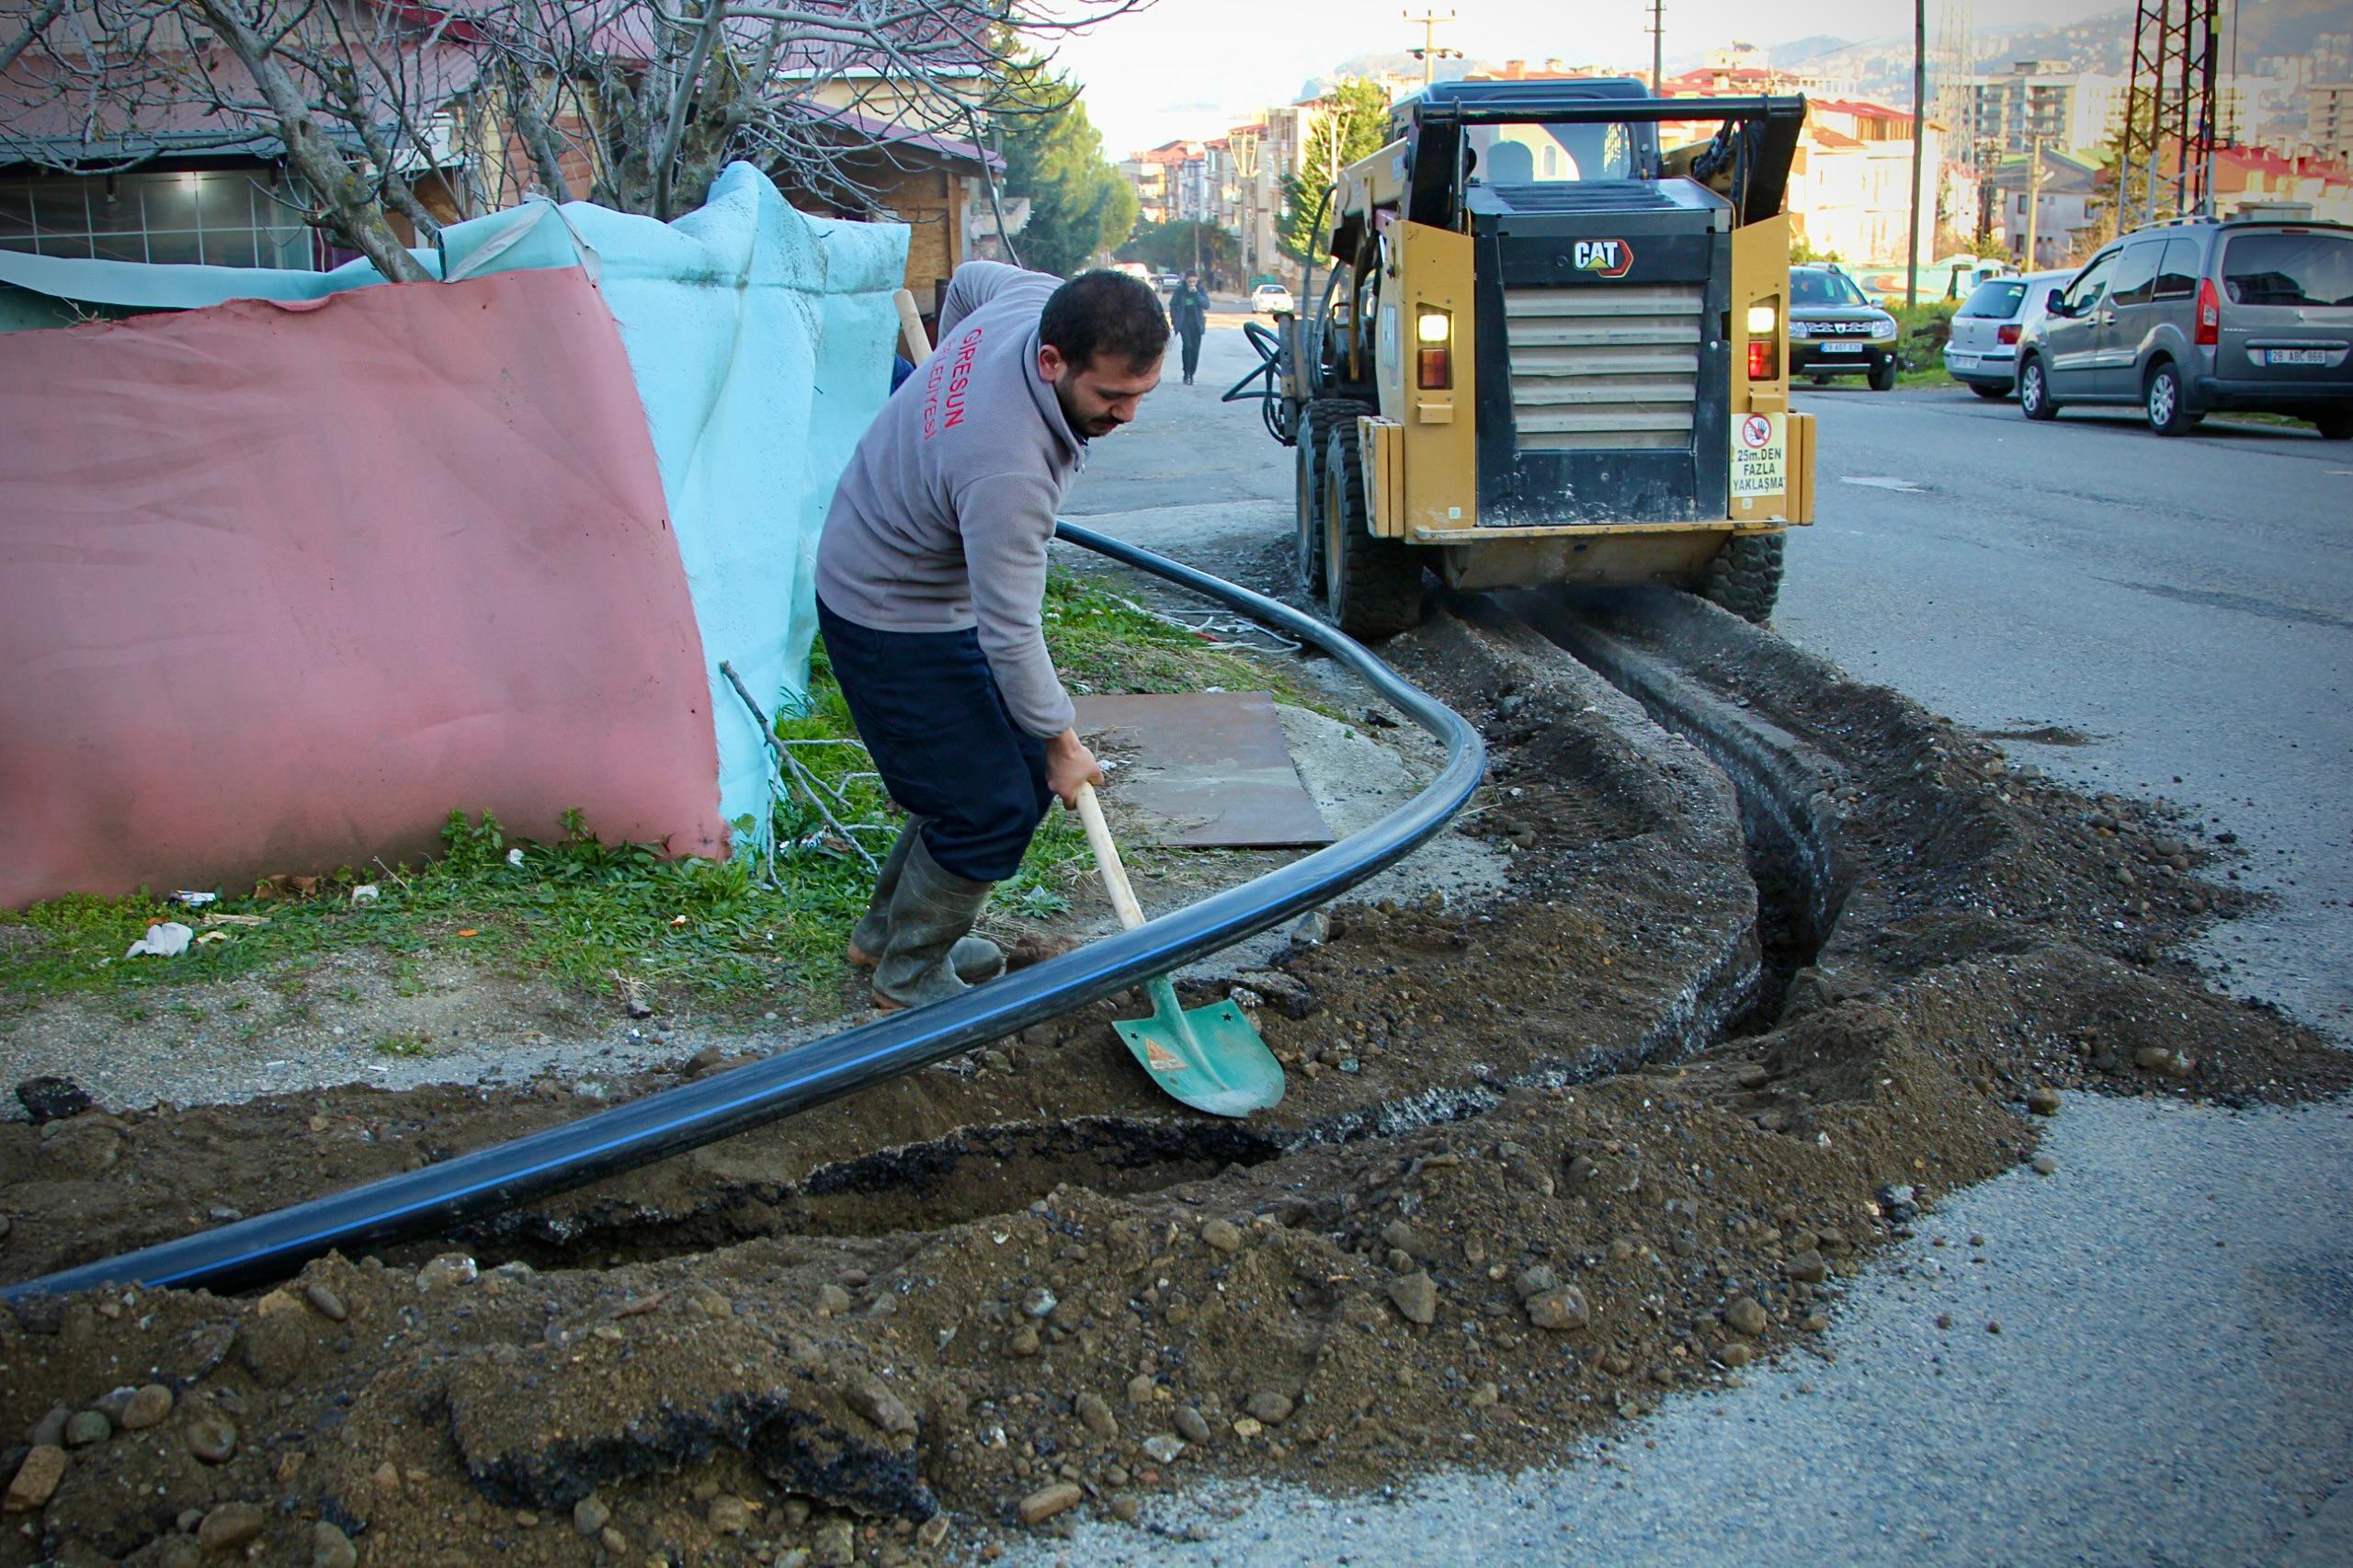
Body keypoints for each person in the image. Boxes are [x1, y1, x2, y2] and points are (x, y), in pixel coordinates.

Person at [814, 261, 1169, 1010]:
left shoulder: (1035, 300)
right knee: (987, 805)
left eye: (1142, 393)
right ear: (1052, 361)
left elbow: (971, 278)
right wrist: (1064, 743)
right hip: (887, 608)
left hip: (925, 581)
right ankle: (909, 975)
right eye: (1111, 397)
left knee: (1008, 773)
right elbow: (1010, 634)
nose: (1128, 416)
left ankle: (886, 934)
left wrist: (942, 376)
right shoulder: (1008, 470)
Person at [1168, 270, 1211, 385]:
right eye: (1190, 282)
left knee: (1195, 349)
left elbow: (1206, 305)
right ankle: (1186, 373)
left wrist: (1196, 294)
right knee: (1187, 346)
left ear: (1197, 281)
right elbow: (1173, 304)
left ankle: (1192, 374)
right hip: (1184, 323)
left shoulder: (1200, 290)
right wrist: (1175, 318)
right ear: (1186, 281)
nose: (1192, 284)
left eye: (1194, 281)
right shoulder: (1180, 290)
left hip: (1197, 323)